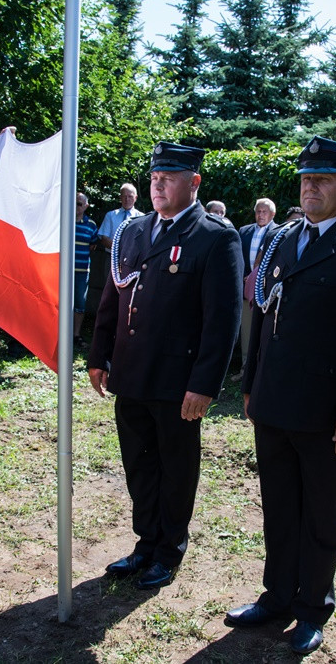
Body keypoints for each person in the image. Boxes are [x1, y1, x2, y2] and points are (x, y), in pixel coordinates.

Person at [228, 136, 336, 654]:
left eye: (322, 179)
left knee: (320, 516)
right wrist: (252, 387)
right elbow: (264, 318)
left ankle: (311, 607)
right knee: (278, 508)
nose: (310, 187)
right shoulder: (281, 239)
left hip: (325, 416)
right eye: (306, 179)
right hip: (275, 404)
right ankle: (277, 596)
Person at [87, 142, 242, 590]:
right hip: (132, 372)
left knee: (175, 468)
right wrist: (99, 356)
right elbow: (112, 296)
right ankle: (145, 542)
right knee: (138, 463)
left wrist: (205, 384)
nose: (158, 185)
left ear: (193, 182)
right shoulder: (133, 233)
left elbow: (222, 320)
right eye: (154, 177)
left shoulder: (215, 236)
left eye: (169, 178)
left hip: (177, 381)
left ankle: (169, 550)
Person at [236, 198, 278, 371]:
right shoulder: (244, 231)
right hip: (245, 287)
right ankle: (245, 368)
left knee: (265, 327)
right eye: (258, 211)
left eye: (264, 211)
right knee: (246, 327)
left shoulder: (279, 232)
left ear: (273, 214)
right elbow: (237, 255)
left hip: (266, 289)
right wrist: (245, 276)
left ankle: (261, 366)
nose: (260, 215)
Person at [74, 192, 98, 346]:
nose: (76, 206)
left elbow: (93, 246)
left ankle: (75, 335)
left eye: (79, 204)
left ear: (86, 206)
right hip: (61, 270)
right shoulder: (61, 219)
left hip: (82, 271)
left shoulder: (91, 225)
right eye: (74, 202)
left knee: (80, 305)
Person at [97, 183, 143, 252]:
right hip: (111, 257)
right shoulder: (110, 215)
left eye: (130, 196)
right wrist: (121, 248)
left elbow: (143, 241)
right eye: (124, 196)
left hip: (132, 259)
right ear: (120, 197)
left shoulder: (142, 218)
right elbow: (104, 238)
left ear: (135, 198)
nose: (127, 199)